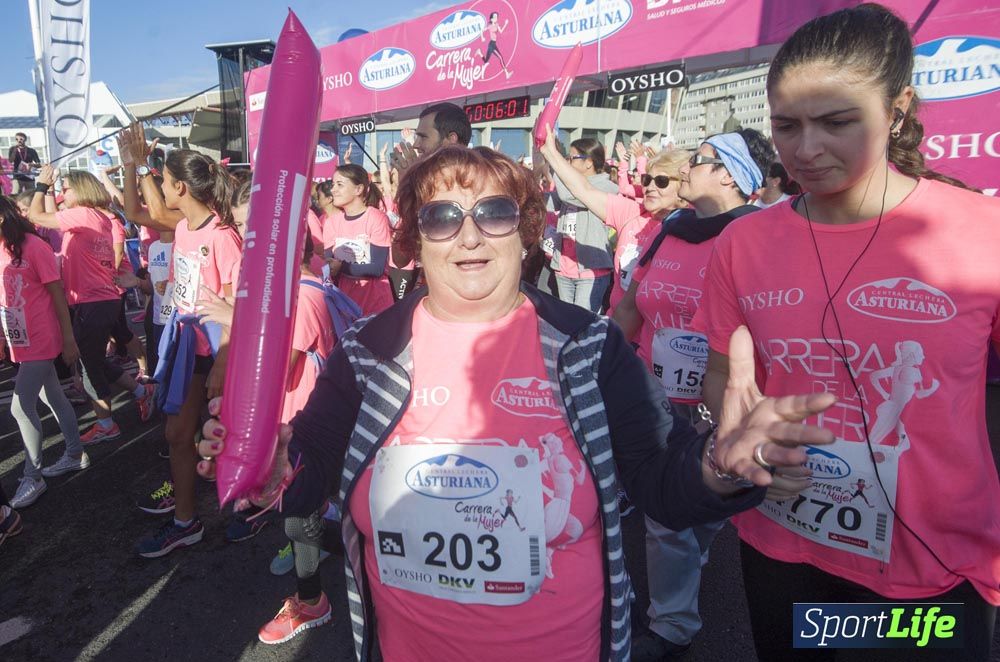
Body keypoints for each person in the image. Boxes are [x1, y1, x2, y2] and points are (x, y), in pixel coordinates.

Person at [196, 145, 837, 661]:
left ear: (525, 233)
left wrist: (719, 466)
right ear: (415, 241)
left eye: (494, 213)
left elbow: (662, 483)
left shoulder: (588, 348)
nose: (468, 235)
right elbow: (310, 474)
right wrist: (275, 467)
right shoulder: (368, 354)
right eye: (442, 217)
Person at [700, 5, 1000, 660]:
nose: (805, 150)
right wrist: (733, 438)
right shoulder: (742, 243)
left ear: (897, 109)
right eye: (786, 126)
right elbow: (723, 380)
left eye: (836, 123)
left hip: (928, 571)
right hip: (783, 546)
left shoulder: (983, 234)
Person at [612, 128, 772, 660]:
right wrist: (605, 356)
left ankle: (685, 575)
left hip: (724, 400)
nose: (686, 170)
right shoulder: (669, 231)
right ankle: (673, 626)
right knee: (666, 517)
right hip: (655, 399)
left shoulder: (761, 234)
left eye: (700, 161)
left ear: (730, 174)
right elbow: (634, 305)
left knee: (703, 511)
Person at [118, 124, 242, 558]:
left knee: (220, 437)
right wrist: (135, 166)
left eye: (165, 181)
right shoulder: (185, 226)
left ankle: (249, 510)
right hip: (187, 345)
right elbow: (135, 211)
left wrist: (224, 365)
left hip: (215, 352)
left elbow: (235, 308)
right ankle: (186, 520)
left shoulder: (223, 237)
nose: (162, 189)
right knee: (177, 433)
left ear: (181, 187)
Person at [27, 168, 156, 443]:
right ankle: (140, 392)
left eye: (67, 189)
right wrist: (49, 190)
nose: (64, 194)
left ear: (82, 190)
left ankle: (107, 424)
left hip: (92, 301)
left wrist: (40, 185)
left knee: (88, 366)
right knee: (94, 361)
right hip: (103, 299)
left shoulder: (83, 213)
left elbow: (35, 216)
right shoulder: (98, 216)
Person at [538, 126, 688, 315]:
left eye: (661, 182)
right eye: (647, 179)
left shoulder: (697, 228)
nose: (650, 187)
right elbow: (583, 191)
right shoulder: (631, 212)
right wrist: (551, 153)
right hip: (622, 328)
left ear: (684, 185)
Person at [1, 196, 87, 509]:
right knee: (52, 398)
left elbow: (57, 295)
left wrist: (68, 339)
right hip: (20, 339)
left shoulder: (34, 246)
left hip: (42, 337)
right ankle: (75, 453)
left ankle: (32, 476)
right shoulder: (3, 249)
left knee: (20, 407)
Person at [548, 137, 619, 313]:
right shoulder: (568, 186)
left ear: (588, 162)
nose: (568, 162)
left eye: (572, 158)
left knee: (584, 324)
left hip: (591, 269)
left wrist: (554, 162)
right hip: (564, 266)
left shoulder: (608, 187)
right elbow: (549, 204)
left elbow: (572, 196)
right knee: (567, 324)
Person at [322, 164, 393, 316]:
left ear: (358, 189)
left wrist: (342, 267)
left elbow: (377, 268)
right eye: (333, 184)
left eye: (339, 185)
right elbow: (330, 267)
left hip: (375, 306)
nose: (333, 190)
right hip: (345, 306)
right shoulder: (331, 223)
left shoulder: (375, 218)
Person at [392, 102, 473, 173]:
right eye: (417, 137)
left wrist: (410, 181)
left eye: (423, 136)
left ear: (451, 139)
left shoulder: (470, 182)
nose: (415, 145)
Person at [476, 12, 512, 79]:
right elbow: (482, 30)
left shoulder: (497, 25)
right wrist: (482, 38)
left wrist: (505, 24)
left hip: (494, 44)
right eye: (495, 17)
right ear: (491, 19)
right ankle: (507, 74)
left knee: (486, 61)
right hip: (491, 45)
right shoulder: (489, 26)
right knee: (500, 58)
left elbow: (501, 31)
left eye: (496, 17)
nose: (496, 18)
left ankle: (480, 53)